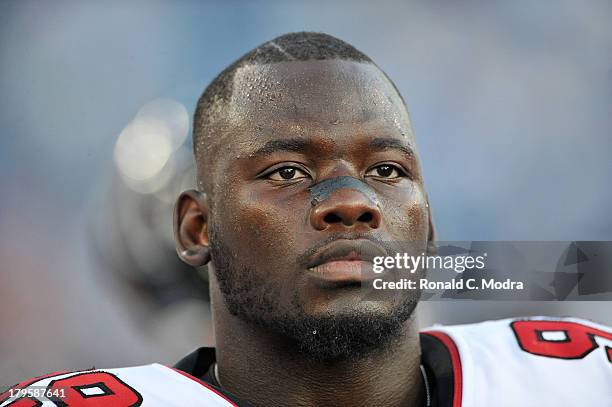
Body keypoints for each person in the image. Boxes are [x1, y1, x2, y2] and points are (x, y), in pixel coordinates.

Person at [3, 32, 611, 407]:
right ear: (195, 231)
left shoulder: (578, 373)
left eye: (388, 172)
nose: (351, 202)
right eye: (286, 173)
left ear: (429, 225)